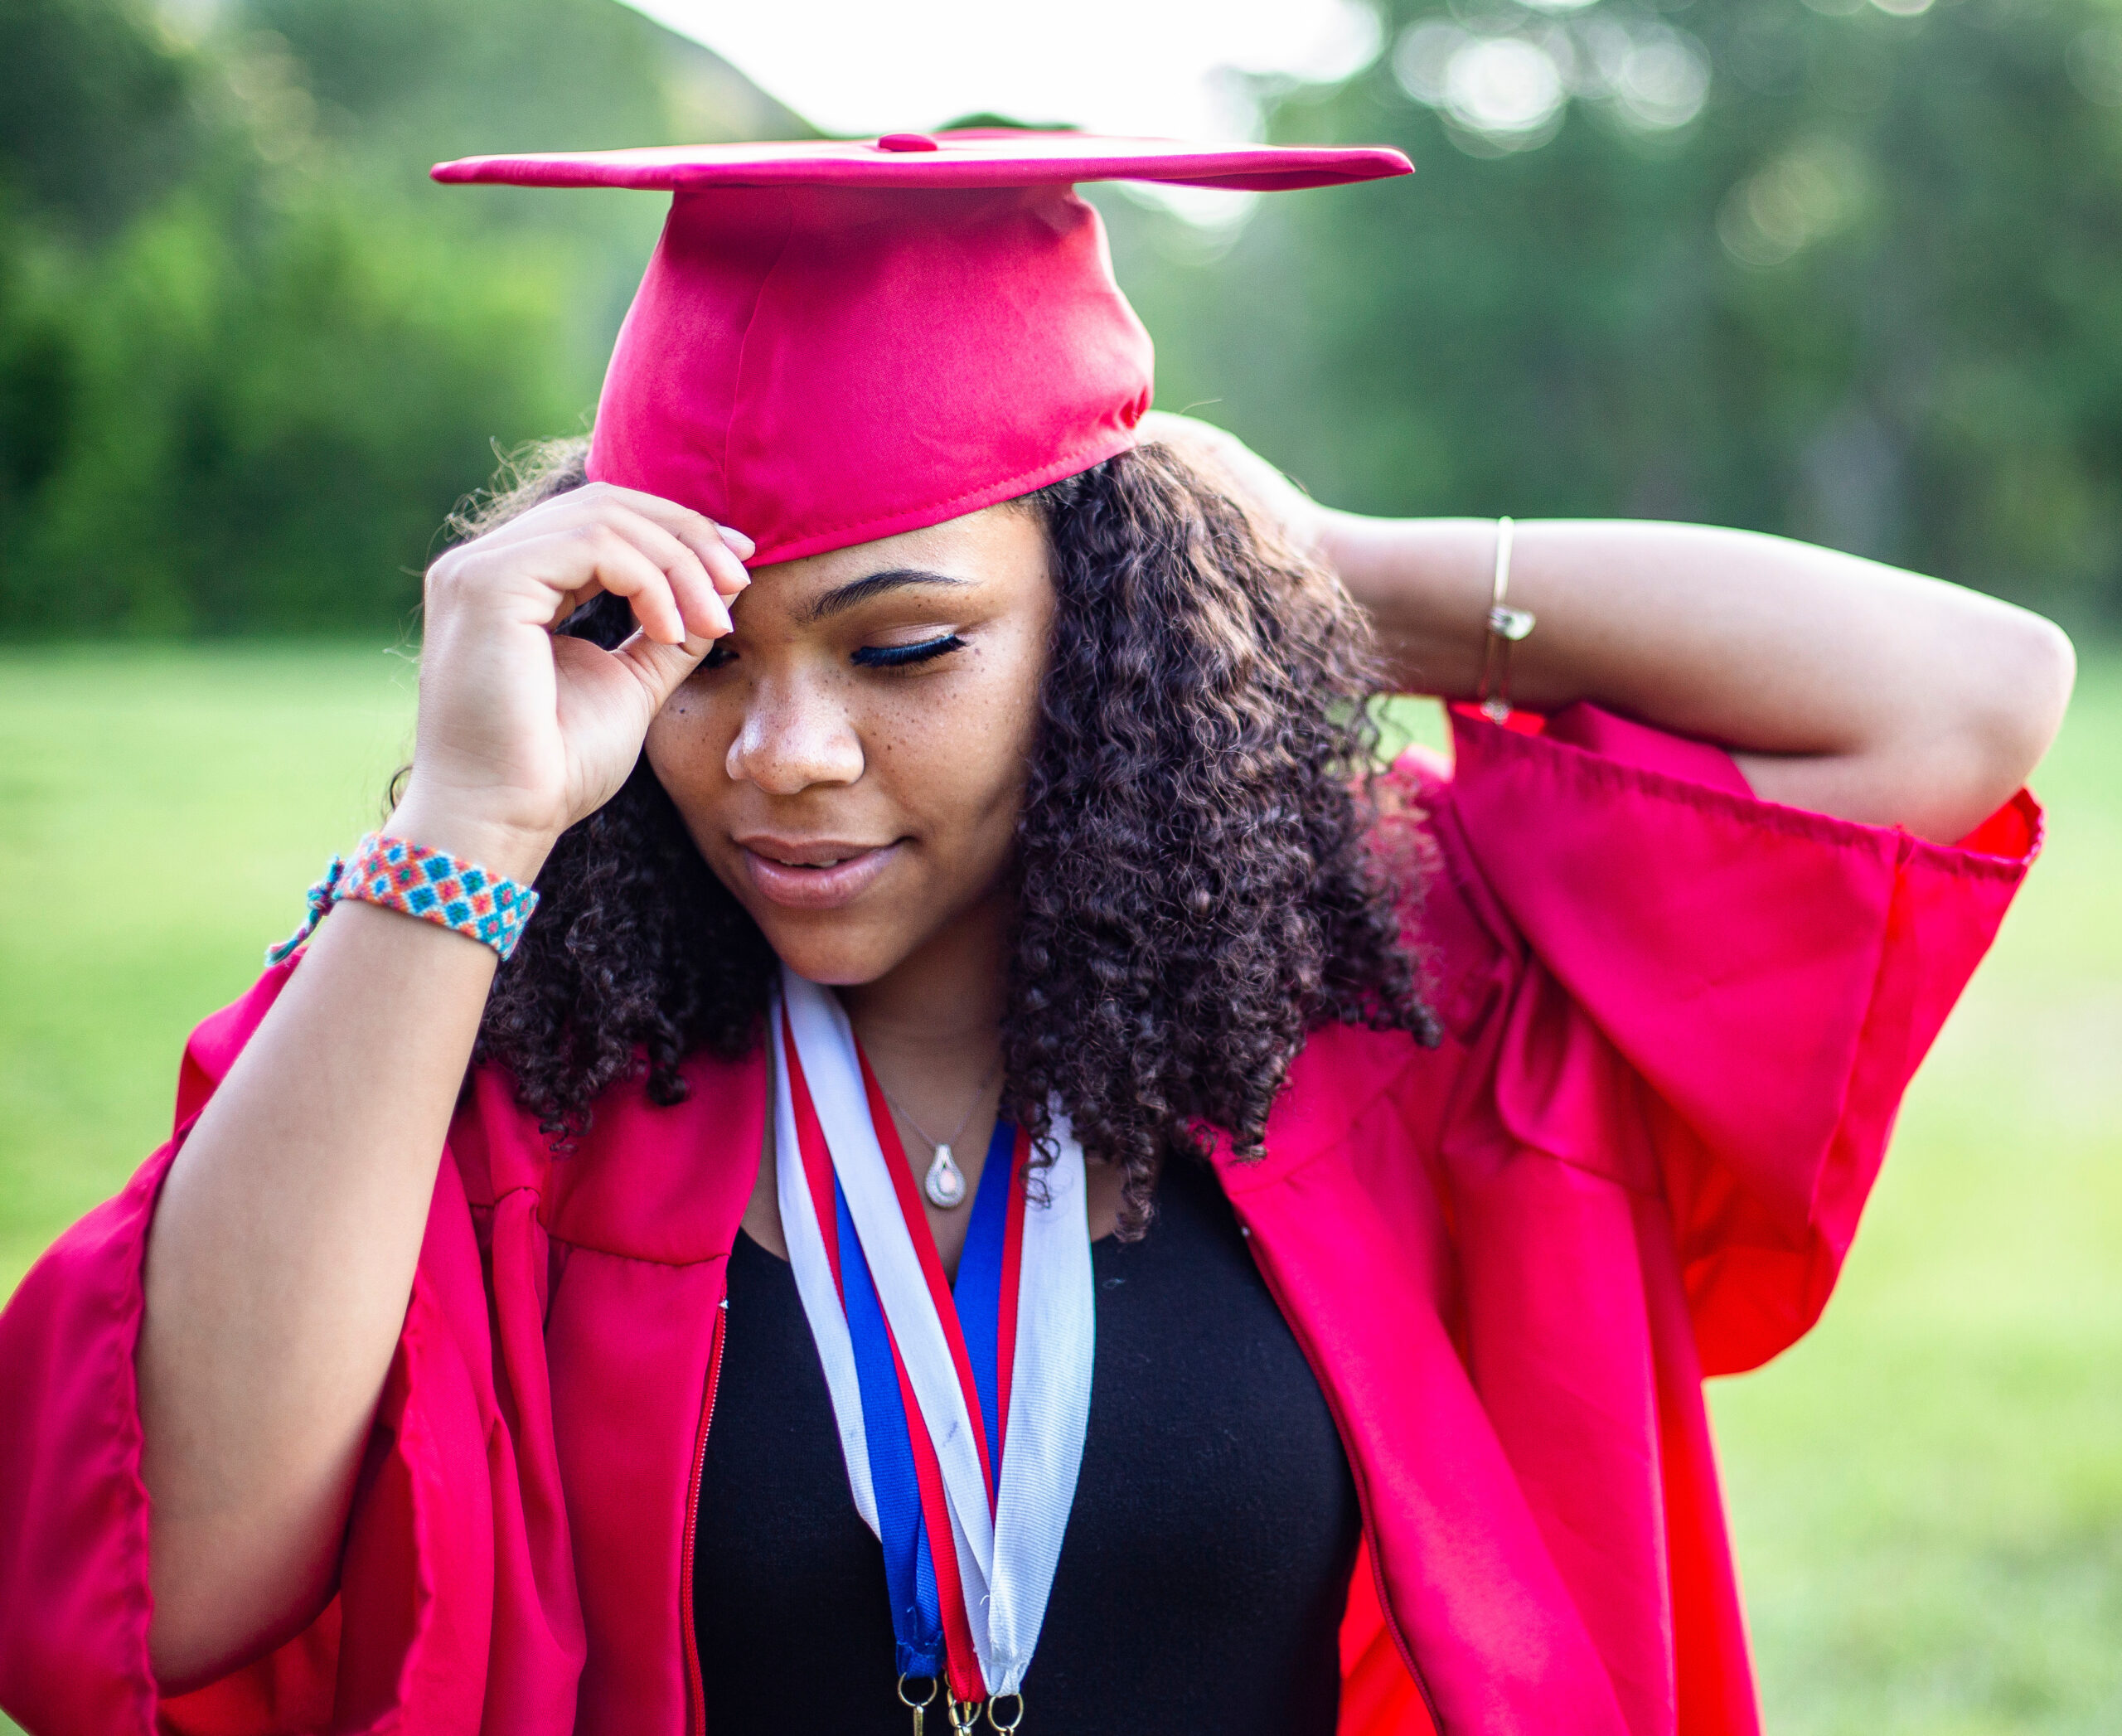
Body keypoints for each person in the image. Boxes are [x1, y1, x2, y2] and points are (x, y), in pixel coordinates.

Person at [0, 133, 2071, 1736]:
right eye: (693, 656)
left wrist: (1314, 575)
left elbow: (1958, 700)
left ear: (1102, 632)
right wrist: (470, 826)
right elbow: (159, 1587)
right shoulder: (492, 1022)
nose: (782, 755)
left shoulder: (1381, 973)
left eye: (907, 648)